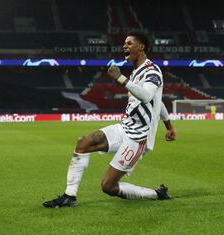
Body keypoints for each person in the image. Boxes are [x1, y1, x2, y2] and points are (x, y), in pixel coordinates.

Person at [43, 32, 176, 208]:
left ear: (141, 46)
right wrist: (169, 126)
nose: (124, 46)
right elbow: (158, 102)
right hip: (125, 127)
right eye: (124, 44)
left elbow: (147, 96)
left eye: (129, 43)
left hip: (138, 137)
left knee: (108, 186)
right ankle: (69, 196)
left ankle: (156, 194)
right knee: (84, 143)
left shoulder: (152, 71)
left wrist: (120, 78)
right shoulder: (136, 72)